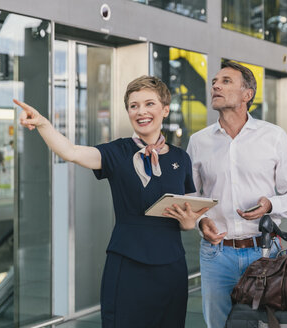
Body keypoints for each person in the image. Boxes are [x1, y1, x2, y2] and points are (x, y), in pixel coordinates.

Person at [14, 76, 208, 328]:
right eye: (133, 106)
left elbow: (186, 214)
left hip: (171, 265)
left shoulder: (181, 158)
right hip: (128, 263)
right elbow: (70, 152)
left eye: (149, 104)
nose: (141, 112)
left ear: (165, 109)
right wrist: (43, 124)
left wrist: (189, 222)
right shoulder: (117, 152)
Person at [187, 61, 287, 328]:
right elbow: (190, 198)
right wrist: (200, 222)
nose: (216, 86)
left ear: (248, 94)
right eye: (214, 82)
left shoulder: (273, 136)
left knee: (273, 324)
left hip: (266, 253)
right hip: (216, 255)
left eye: (226, 81)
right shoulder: (199, 141)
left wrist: (270, 205)